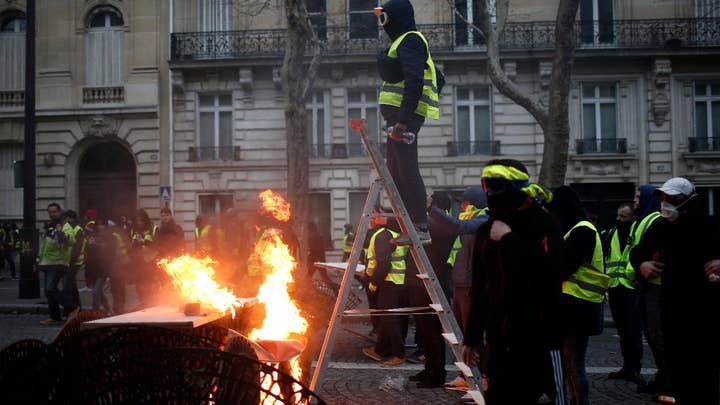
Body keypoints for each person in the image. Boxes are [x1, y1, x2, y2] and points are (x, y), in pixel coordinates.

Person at [463, 159, 565, 404]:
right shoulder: (486, 231)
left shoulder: (544, 223)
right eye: (487, 189)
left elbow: (552, 272)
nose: (491, 196)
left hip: (538, 339)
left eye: (495, 188)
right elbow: (479, 287)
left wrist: (509, 241)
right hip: (498, 340)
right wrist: (472, 337)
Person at [630, 177, 720, 405]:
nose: (665, 204)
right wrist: (642, 265)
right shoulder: (661, 227)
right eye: (663, 198)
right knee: (676, 360)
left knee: (703, 363)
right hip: (671, 303)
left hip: (705, 305)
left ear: (687, 200)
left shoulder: (709, 225)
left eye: (672, 199)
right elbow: (638, 253)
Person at [374, 0, 443, 245]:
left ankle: (420, 227)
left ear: (397, 18)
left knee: (407, 169)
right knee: (396, 172)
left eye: (385, 19)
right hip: (397, 119)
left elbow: (414, 80)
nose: (382, 26)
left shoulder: (411, 40)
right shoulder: (402, 42)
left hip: (404, 119)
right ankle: (410, 225)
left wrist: (404, 121)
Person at [549, 186, 608, 405]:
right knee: (569, 360)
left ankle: (579, 401)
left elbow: (564, 266)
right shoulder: (574, 228)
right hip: (573, 306)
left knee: (574, 362)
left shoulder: (582, 230)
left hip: (579, 308)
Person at [428, 186, 489, 391]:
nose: (460, 206)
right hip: (461, 286)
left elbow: (456, 226)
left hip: (472, 288)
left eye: (463, 202)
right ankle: (467, 376)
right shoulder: (468, 222)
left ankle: (481, 378)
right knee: (463, 335)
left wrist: (431, 208)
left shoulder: (481, 221)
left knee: (473, 337)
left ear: (472, 204)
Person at [629, 184, 668, 397]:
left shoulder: (654, 219)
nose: (634, 201)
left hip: (656, 286)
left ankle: (667, 379)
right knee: (652, 335)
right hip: (644, 284)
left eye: (637, 197)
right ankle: (663, 376)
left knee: (658, 335)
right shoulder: (643, 219)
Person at [604, 202, 645, 386]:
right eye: (618, 216)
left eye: (623, 216)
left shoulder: (637, 232)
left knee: (633, 331)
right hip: (615, 287)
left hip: (631, 288)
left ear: (633, 217)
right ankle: (627, 367)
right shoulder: (611, 233)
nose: (619, 219)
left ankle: (634, 369)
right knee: (622, 331)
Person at [361, 212, 409, 367]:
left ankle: (399, 355)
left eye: (374, 217)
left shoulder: (382, 235)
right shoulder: (395, 233)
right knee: (388, 318)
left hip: (388, 282)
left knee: (389, 319)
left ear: (382, 220)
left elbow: (384, 263)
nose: (371, 219)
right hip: (397, 282)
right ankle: (380, 350)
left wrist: (374, 282)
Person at [38, 203, 72, 325]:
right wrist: (38, 259)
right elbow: (44, 245)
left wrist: (60, 233)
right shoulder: (49, 226)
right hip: (46, 263)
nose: (52, 214)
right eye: (50, 212)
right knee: (48, 292)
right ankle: (55, 316)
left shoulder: (65, 226)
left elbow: (70, 241)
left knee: (50, 288)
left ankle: (71, 307)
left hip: (58, 263)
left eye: (54, 212)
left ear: (60, 212)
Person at [129, 209, 158, 308]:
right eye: (137, 221)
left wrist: (144, 241)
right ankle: (143, 303)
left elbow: (157, 245)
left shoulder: (154, 229)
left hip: (150, 262)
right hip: (138, 262)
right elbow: (130, 246)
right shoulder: (133, 230)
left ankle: (149, 304)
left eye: (141, 220)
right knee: (139, 285)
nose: (139, 223)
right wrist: (133, 243)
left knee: (148, 285)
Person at [84, 217, 113, 313]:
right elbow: (88, 251)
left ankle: (95, 312)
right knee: (98, 291)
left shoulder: (109, 237)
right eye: (98, 224)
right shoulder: (92, 235)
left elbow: (109, 251)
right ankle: (107, 308)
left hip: (103, 269)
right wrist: (90, 244)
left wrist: (95, 244)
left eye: (102, 224)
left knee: (96, 291)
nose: (100, 226)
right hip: (93, 268)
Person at [61, 210, 84, 317]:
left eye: (65, 218)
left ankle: (71, 310)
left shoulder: (77, 229)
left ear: (70, 218)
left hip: (73, 261)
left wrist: (71, 261)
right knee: (71, 286)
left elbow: (77, 247)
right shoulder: (70, 228)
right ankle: (78, 309)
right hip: (69, 261)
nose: (64, 220)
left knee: (68, 286)